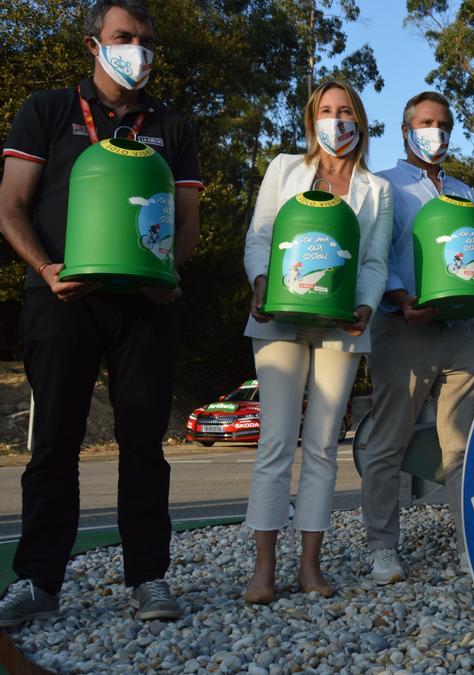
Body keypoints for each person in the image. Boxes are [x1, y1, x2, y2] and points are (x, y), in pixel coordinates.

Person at [0, 0, 201, 627]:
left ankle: (149, 578)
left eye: (145, 41)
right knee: (54, 442)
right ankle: (38, 581)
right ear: (94, 44)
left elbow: (188, 223)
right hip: (64, 300)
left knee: (144, 444)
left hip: (146, 306)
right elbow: (10, 205)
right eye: (123, 37)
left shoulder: (173, 127)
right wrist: (44, 268)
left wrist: (171, 274)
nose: (136, 49)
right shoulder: (49, 111)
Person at [241, 80, 391, 604]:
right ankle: (263, 569)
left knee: (324, 446)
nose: (336, 120)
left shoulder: (377, 189)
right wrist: (260, 281)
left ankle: (310, 566)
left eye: (345, 111)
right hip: (278, 318)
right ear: (312, 120)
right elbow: (260, 235)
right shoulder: (284, 168)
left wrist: (367, 306)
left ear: (360, 121)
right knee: (277, 441)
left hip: (341, 326)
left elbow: (374, 263)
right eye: (326, 111)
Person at [360, 91, 474, 583]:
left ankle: (469, 547)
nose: (437, 132)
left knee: (464, 448)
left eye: (445, 124)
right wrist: (397, 298)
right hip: (404, 328)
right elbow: (377, 253)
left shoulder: (464, 190)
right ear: (406, 129)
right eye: (428, 123)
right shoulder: (384, 185)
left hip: (462, 330)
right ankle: (383, 550)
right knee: (387, 444)